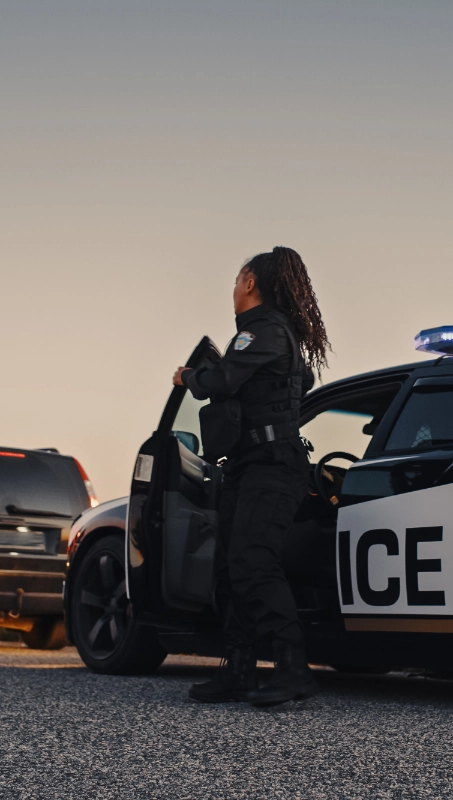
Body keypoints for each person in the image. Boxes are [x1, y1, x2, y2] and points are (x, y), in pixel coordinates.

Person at [174, 246, 331, 707]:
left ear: (249, 282)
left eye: (237, 279)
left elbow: (220, 380)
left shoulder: (265, 330)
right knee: (229, 567)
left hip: (272, 464)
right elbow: (294, 388)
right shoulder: (270, 335)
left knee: (253, 560)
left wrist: (188, 377)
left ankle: (292, 670)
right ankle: (238, 670)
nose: (234, 288)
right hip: (248, 464)